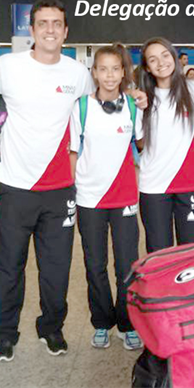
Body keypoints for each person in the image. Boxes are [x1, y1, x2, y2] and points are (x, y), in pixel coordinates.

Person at [0, 0, 146, 362]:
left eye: (56, 23)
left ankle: (52, 328)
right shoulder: (7, 66)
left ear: (66, 30)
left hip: (60, 190)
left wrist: (134, 95)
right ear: (31, 29)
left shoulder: (76, 74)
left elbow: (105, 99)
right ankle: (5, 333)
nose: (50, 30)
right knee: (8, 266)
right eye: (43, 23)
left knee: (56, 268)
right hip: (15, 185)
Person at [69, 44, 144, 352]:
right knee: (95, 263)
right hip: (89, 198)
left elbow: (141, 144)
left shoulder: (133, 106)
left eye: (115, 69)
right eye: (103, 69)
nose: (110, 75)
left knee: (127, 264)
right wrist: (71, 193)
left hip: (124, 196)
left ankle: (127, 324)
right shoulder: (82, 107)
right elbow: (73, 152)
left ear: (123, 72)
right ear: (95, 72)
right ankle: (101, 322)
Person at [137, 37, 194, 253]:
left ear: (174, 57)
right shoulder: (142, 98)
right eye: (153, 59)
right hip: (154, 186)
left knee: (193, 254)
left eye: (165, 55)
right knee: (160, 254)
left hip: (190, 184)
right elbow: (140, 142)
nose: (161, 63)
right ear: (147, 67)